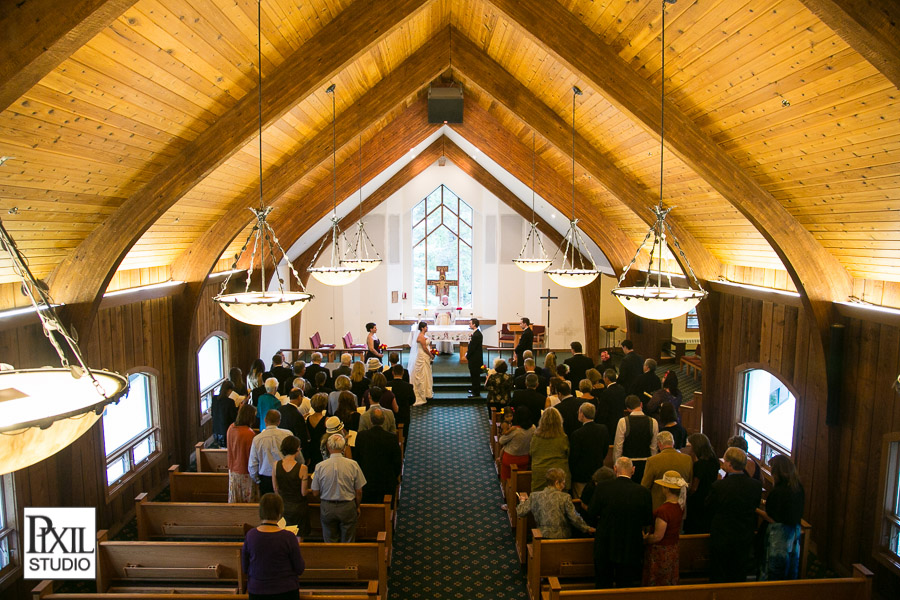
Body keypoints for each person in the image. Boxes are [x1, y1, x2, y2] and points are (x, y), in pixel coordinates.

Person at [588, 457, 653, 589]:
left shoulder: (602, 487)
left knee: (603, 583)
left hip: (606, 542)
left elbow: (591, 512)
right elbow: (647, 520)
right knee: (626, 585)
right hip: (630, 544)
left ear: (615, 469)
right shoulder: (643, 492)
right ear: (633, 470)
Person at [707, 447, 763, 583]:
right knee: (738, 572)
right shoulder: (755, 485)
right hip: (744, 534)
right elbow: (754, 505)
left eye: (725, 461)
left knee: (719, 572)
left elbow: (709, 507)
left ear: (730, 464)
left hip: (722, 534)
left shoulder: (719, 486)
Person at [241, 493, 305, 599]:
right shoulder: (288, 537)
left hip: (258, 590)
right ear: (280, 512)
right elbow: (299, 568)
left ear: (261, 511)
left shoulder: (251, 535)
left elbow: (245, 568)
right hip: (286, 590)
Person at [310, 434, 367, 542]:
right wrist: (357, 506)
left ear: (328, 447)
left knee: (330, 541)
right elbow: (359, 491)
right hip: (347, 506)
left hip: (327, 506)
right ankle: (347, 558)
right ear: (343, 447)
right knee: (348, 541)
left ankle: (332, 558)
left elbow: (315, 492)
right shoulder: (353, 465)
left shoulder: (320, 466)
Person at [758, 454, 805, 580]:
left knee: (773, 570)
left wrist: (756, 509)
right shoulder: (798, 488)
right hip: (794, 534)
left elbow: (772, 517)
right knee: (789, 569)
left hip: (778, 536)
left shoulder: (778, 492)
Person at [517, 468, 595, 539]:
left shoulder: (534, 496)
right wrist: (587, 528)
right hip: (563, 537)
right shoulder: (565, 497)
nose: (564, 486)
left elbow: (520, 512)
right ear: (557, 483)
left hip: (542, 536)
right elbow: (574, 518)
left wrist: (522, 501)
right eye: (563, 483)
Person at [642, 470, 688, 586]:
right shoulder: (679, 506)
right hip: (672, 548)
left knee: (659, 581)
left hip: (661, 552)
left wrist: (645, 539)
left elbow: (658, 536)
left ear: (666, 489)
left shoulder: (664, 511)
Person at [354, 408, 402, 504]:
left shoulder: (361, 436)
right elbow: (397, 462)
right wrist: (393, 476)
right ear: (384, 420)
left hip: (366, 481)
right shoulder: (391, 438)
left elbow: (357, 458)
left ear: (371, 420)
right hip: (386, 481)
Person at [641, 431, 693, 511]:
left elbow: (645, 486)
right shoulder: (687, 459)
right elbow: (689, 483)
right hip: (680, 507)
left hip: (659, 506)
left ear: (659, 444)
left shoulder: (653, 461)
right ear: (673, 443)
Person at [569, 403, 610, 499]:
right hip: (597, 470)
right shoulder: (603, 429)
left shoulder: (577, 434)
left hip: (580, 475)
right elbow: (605, 450)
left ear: (582, 414)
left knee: (580, 499)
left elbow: (574, 457)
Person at [613, 395, 659, 483]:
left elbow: (618, 446)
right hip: (646, 463)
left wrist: (616, 465)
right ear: (641, 404)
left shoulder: (623, 421)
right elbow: (654, 447)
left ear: (628, 408)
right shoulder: (653, 421)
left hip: (627, 464)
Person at [273, 435, 310, 539]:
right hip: (299, 507)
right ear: (297, 449)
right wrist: (311, 490)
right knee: (298, 537)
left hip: (283, 505)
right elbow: (303, 492)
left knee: (283, 535)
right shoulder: (302, 468)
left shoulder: (276, 465)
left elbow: (275, 489)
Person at [249, 410, 292, 496]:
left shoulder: (257, 439)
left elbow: (253, 464)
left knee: (267, 506)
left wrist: (257, 480)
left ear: (265, 420)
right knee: (284, 504)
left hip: (265, 477)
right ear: (279, 421)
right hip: (285, 474)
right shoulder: (288, 434)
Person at [683, 433, 718, 534]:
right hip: (710, 496)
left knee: (694, 528)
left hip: (698, 500)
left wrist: (687, 495)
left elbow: (694, 487)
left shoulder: (700, 464)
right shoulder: (714, 460)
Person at [530, 407, 570, 492]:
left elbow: (531, 452)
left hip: (540, 473)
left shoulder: (536, 437)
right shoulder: (563, 437)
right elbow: (568, 453)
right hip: (558, 475)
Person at [227, 404, 259, 503]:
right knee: (247, 502)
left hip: (232, 470)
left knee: (236, 500)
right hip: (245, 471)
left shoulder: (231, 428)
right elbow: (252, 455)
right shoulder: (249, 433)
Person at [499, 406, 534, 484]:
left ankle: (505, 491)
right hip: (524, 459)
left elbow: (501, 441)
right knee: (520, 482)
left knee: (507, 481)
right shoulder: (533, 428)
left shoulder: (515, 430)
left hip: (510, 459)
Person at [385, 363, 414, 439]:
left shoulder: (387, 385)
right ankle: (403, 449)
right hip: (404, 414)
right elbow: (413, 400)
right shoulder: (408, 386)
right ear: (403, 373)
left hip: (391, 413)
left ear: (393, 373)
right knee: (404, 435)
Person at [408, 321, 433, 406]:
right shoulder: (420, 336)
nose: (427, 328)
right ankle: (422, 394)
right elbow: (425, 348)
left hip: (425, 356)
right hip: (422, 356)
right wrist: (431, 355)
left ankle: (427, 392)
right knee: (422, 374)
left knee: (426, 373)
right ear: (422, 328)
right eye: (426, 327)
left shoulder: (425, 336)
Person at [595, 369, 626, 438]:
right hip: (619, 419)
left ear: (607, 379)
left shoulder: (606, 392)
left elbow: (603, 410)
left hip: (609, 423)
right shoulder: (621, 389)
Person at [305, 394, 329, 472]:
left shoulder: (308, 419)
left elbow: (308, 435)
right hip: (323, 449)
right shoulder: (326, 420)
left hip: (311, 448)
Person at [212, 380, 239, 448]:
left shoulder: (214, 399)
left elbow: (212, 413)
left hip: (216, 430)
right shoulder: (230, 402)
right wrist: (240, 408)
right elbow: (234, 418)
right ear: (228, 390)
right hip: (226, 431)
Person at [466, 317, 484, 399]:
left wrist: (467, 355)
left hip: (475, 358)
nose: (469, 324)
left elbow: (473, 348)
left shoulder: (477, 335)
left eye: (470, 323)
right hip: (474, 357)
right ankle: (474, 389)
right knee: (473, 375)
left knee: (475, 375)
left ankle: (476, 392)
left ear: (474, 324)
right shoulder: (476, 333)